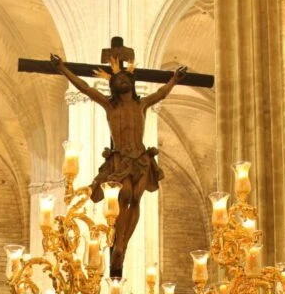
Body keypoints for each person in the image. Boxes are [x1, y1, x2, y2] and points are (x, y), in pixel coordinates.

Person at [49, 53, 186, 277]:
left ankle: (123, 244)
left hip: (141, 159)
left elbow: (161, 93)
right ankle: (118, 244)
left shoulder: (142, 105)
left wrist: (174, 80)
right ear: (113, 87)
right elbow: (84, 88)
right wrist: (63, 69)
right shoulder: (110, 106)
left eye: (125, 79)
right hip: (120, 159)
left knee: (135, 199)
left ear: (131, 84)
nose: (121, 81)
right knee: (125, 196)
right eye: (117, 80)